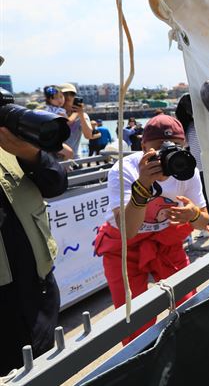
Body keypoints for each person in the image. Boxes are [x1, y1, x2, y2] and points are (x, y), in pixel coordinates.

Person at [94, 114, 209, 344]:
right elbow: (128, 230)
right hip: (124, 249)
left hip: (166, 244)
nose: (170, 154)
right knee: (134, 321)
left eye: (176, 147)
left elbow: (204, 222)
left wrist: (193, 214)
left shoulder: (187, 169)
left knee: (187, 304)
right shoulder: (125, 169)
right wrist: (143, 184)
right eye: (160, 149)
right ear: (143, 146)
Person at [0, 128, 68, 375]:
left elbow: (56, 183)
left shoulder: (11, 144)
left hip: (38, 287)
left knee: (45, 366)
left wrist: (31, 153)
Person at [59, 83, 98, 158]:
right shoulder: (54, 113)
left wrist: (80, 114)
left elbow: (88, 135)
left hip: (74, 159)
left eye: (72, 94)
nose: (68, 96)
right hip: (54, 160)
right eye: (65, 94)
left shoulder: (82, 116)